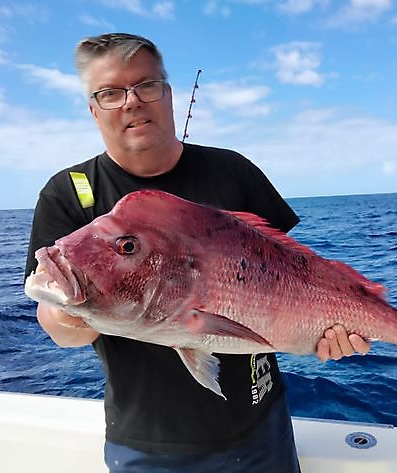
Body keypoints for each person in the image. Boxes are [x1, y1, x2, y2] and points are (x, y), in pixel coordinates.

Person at [25, 33, 370, 473]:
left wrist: (326, 333)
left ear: (168, 96)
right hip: (147, 446)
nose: (131, 102)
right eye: (110, 93)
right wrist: (73, 308)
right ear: (93, 110)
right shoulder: (67, 194)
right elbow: (60, 332)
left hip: (263, 428)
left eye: (146, 85)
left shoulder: (233, 171)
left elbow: (295, 275)